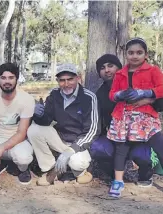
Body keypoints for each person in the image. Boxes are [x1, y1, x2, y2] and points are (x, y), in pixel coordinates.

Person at [90, 54, 161, 186]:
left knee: (143, 154)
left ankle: (145, 174)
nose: (107, 70)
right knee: (99, 148)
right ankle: (114, 175)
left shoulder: (135, 82)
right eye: (102, 68)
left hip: (139, 134)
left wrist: (148, 99)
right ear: (99, 73)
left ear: (119, 68)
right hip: (116, 136)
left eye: (111, 66)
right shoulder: (99, 94)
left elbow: (160, 103)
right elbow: (98, 121)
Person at [107, 38, 163, 198]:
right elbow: (112, 94)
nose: (135, 56)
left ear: (145, 54)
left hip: (146, 118)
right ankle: (118, 182)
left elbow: (161, 88)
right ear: (126, 55)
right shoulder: (119, 73)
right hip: (123, 117)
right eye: (131, 53)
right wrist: (119, 95)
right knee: (121, 149)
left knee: (160, 146)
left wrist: (147, 93)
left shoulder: (153, 70)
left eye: (139, 52)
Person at [27, 63, 99, 186]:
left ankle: (82, 173)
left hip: (78, 144)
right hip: (59, 138)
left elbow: (92, 130)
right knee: (34, 130)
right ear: (57, 81)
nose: (66, 84)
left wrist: (71, 150)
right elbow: (46, 121)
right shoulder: (55, 94)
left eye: (70, 79)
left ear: (78, 78)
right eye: (62, 80)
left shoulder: (89, 97)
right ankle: (51, 170)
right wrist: (38, 114)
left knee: (76, 163)